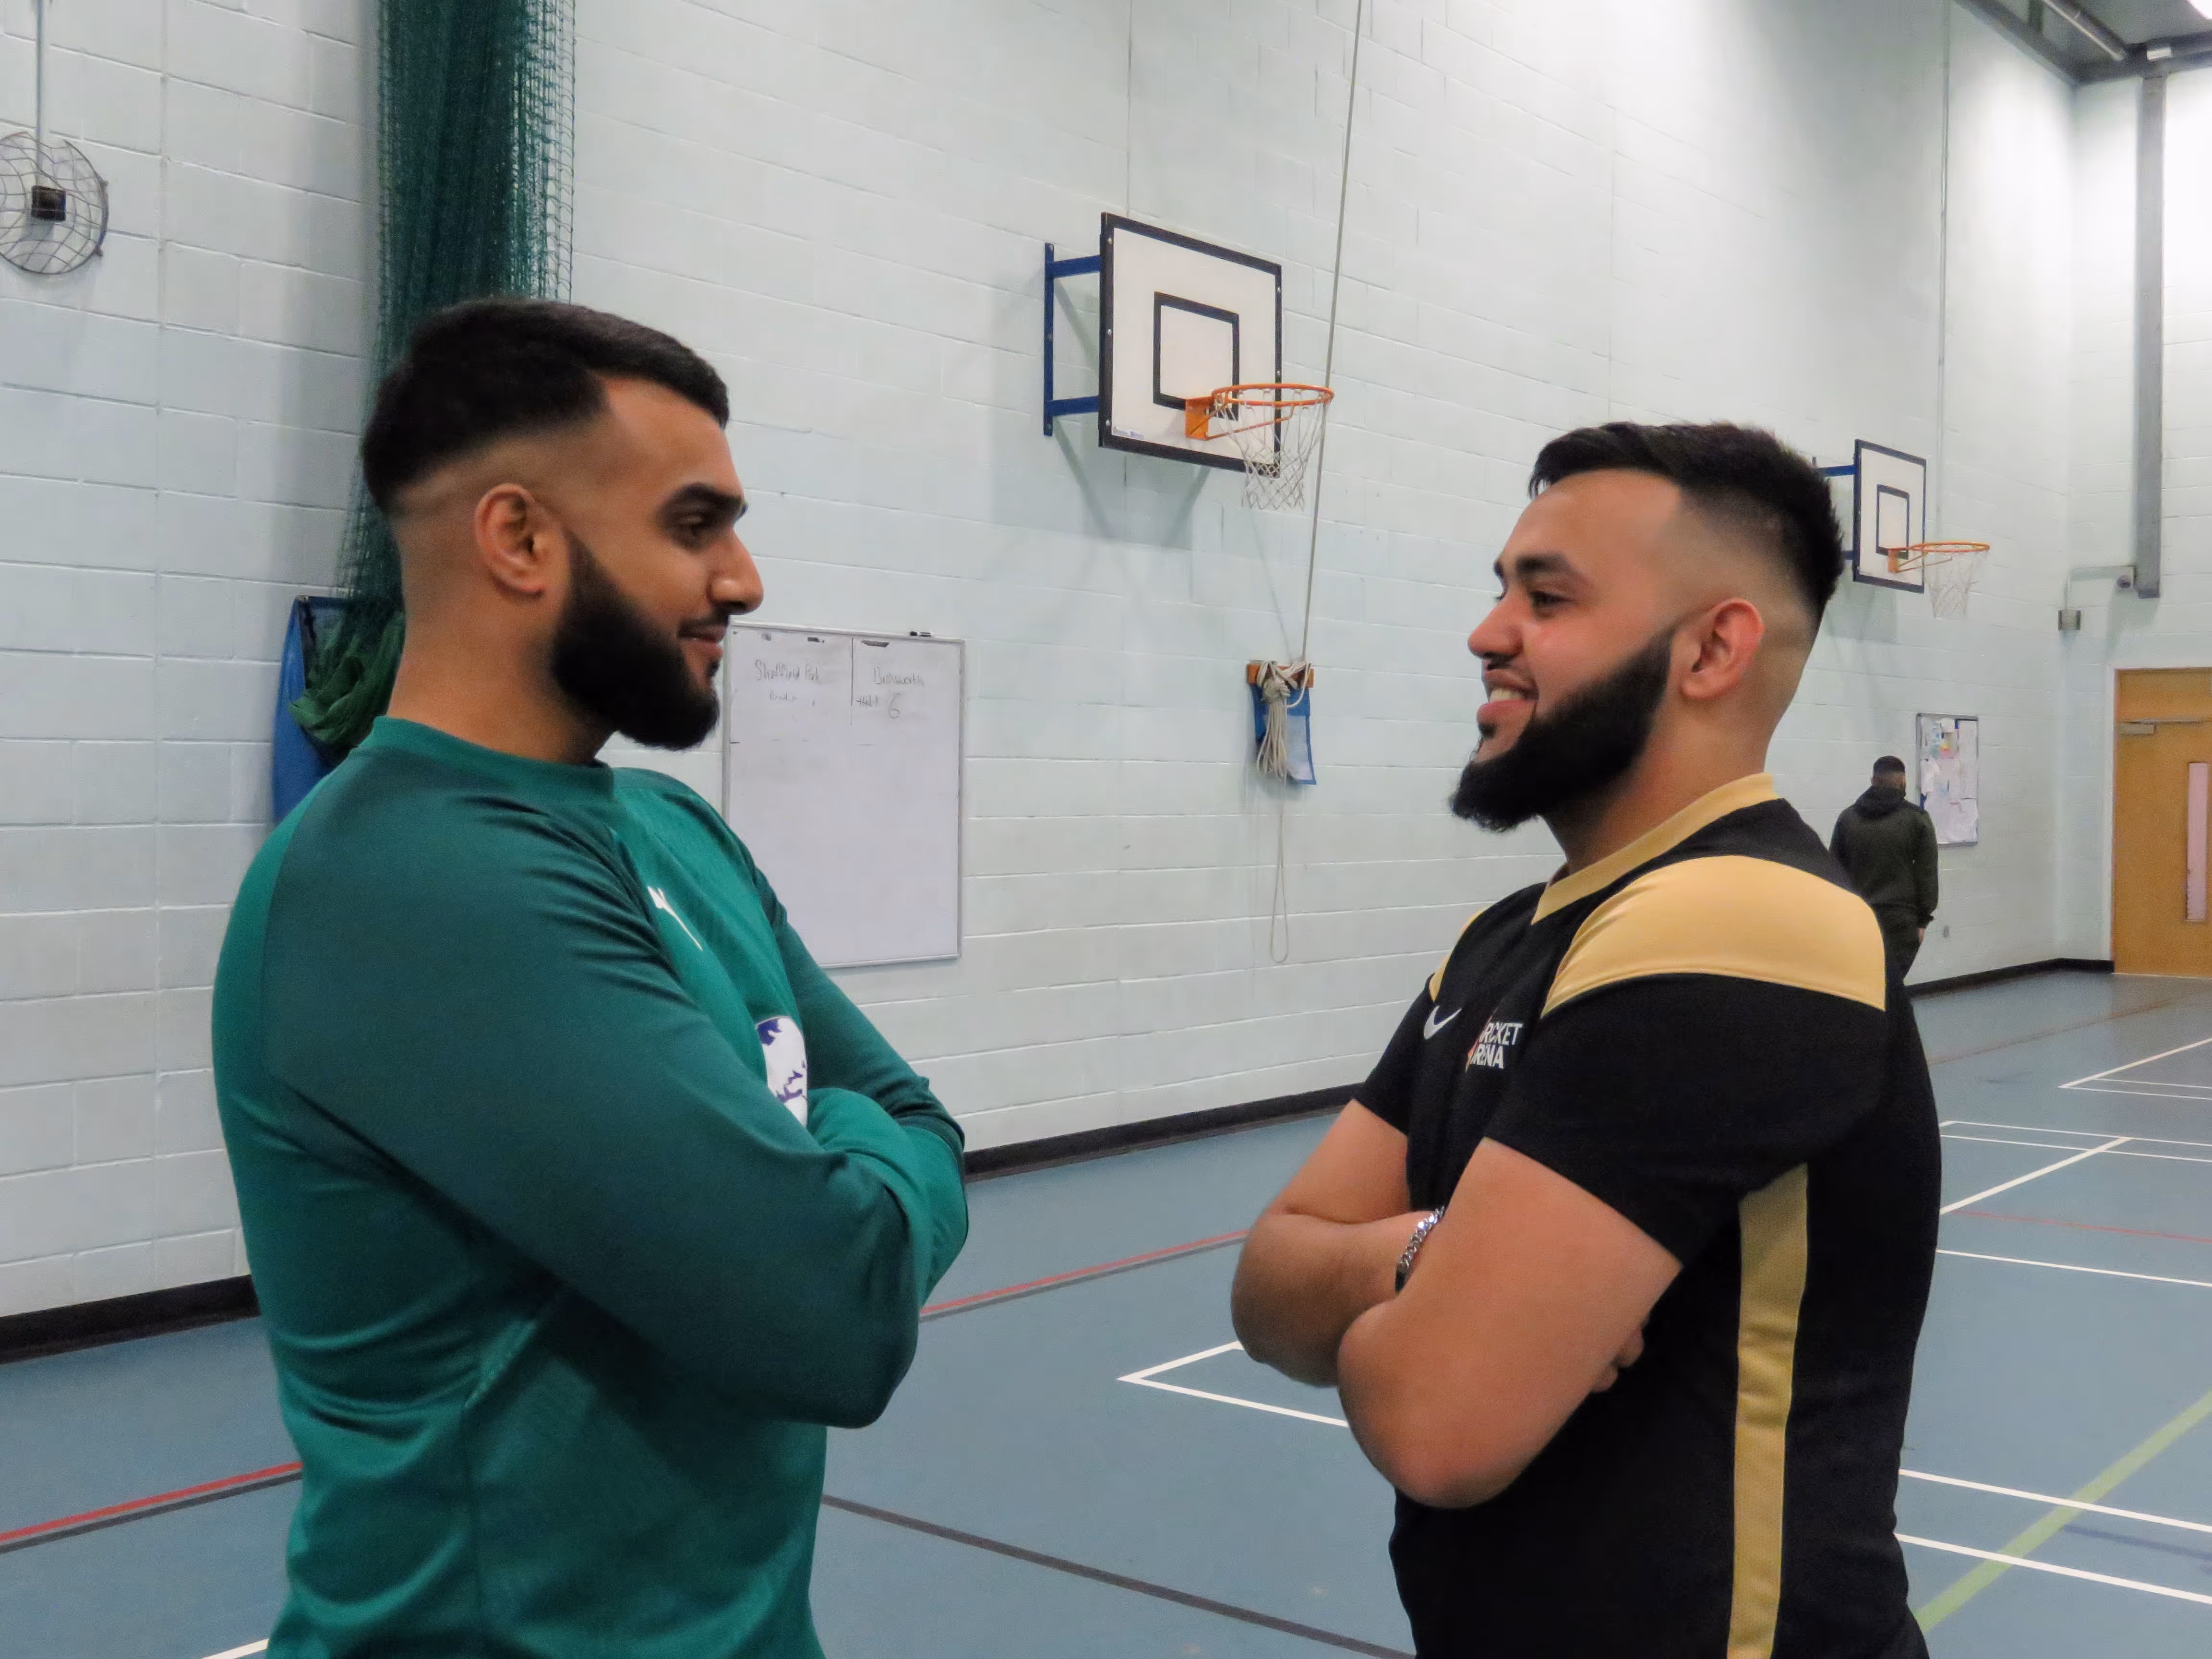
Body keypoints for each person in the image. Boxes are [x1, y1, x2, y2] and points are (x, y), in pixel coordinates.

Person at [211, 299, 968, 1658]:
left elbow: (920, 1118)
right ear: (519, 538)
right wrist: (835, 1167)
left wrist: (846, 1167)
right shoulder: (412, 883)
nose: (743, 578)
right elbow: (836, 1312)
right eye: (694, 525)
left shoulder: (671, 830)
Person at [1231, 422, 1938, 1659]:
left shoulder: (1742, 916)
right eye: (1499, 588)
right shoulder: (1510, 935)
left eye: (1545, 596)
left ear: (1714, 647)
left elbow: (1436, 1419)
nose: (1488, 632)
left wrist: (1395, 1285)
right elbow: (1265, 1282)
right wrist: (1424, 1257)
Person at [1832, 755, 1940, 980]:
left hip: (1858, 918)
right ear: (1903, 781)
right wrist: (1923, 920)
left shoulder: (1847, 819)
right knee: (1892, 990)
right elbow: (1926, 874)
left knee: (1863, 987)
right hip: (1900, 921)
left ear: (1873, 780)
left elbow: (1834, 873)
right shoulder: (1918, 820)